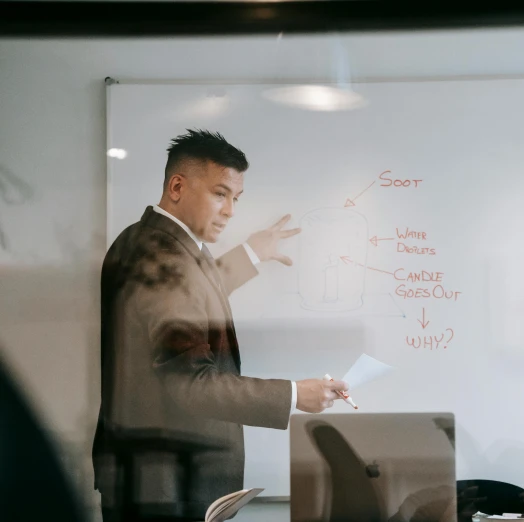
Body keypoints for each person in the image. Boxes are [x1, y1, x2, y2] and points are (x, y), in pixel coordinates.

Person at [92, 129, 349, 521]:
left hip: (153, 476)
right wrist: (296, 395)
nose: (230, 210)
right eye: (220, 193)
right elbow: (192, 383)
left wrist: (249, 254)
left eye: (236, 198)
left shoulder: (143, 241)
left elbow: (185, 302)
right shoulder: (165, 259)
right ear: (177, 186)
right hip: (168, 488)